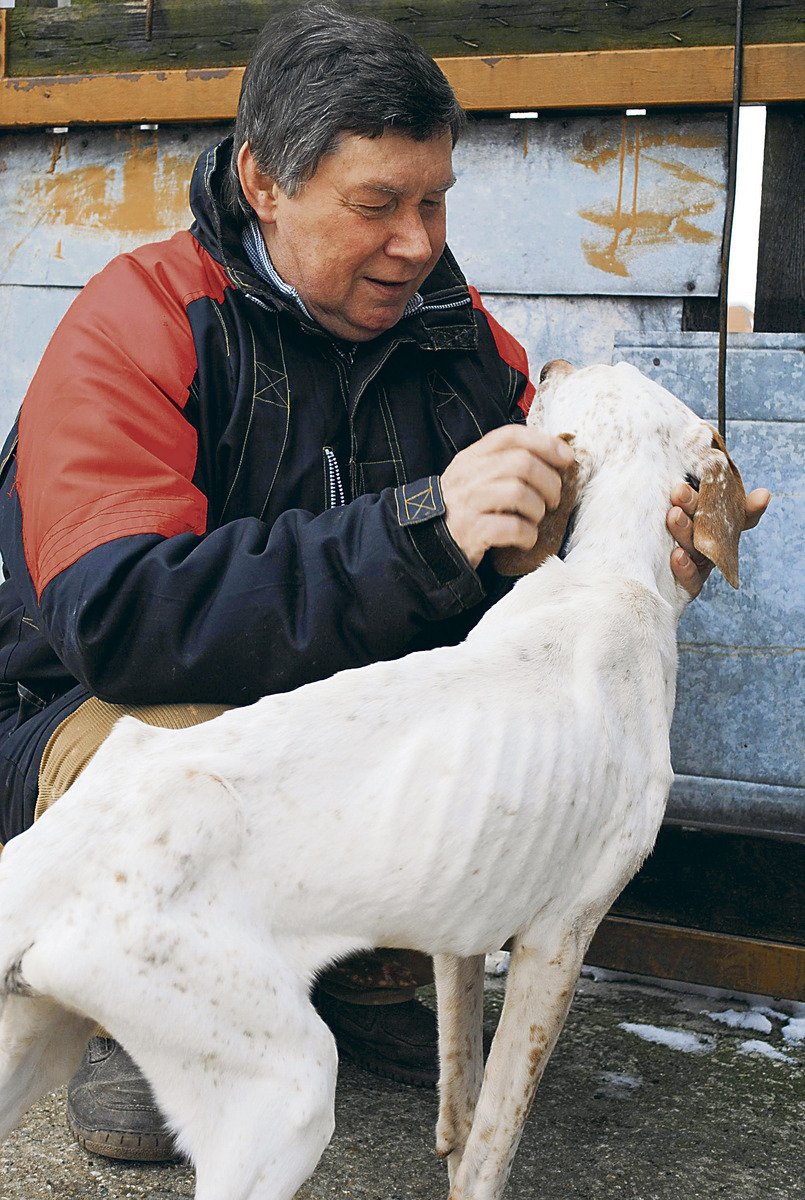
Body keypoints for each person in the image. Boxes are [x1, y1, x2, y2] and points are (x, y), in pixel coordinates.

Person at [0, 2, 769, 1168]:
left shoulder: (464, 345)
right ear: (264, 182)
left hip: (310, 730)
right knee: (195, 738)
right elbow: (121, 621)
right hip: (97, 724)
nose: (418, 242)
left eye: (435, 200)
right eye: (377, 206)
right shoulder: (135, 324)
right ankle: (133, 989)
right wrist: (422, 534)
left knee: (478, 735)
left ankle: (355, 978)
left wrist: (642, 551)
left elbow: (533, 621)